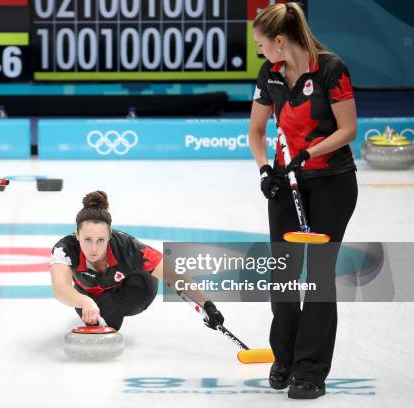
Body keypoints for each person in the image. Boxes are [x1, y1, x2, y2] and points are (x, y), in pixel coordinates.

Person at [249, 2, 358, 399]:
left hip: (331, 183)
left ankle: (310, 371)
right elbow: (257, 132)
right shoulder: (270, 74)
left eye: (262, 44)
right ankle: (286, 357)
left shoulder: (331, 69)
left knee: (316, 278)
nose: (259, 51)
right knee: (283, 271)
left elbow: (348, 130)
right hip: (284, 182)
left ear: (280, 41)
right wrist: (266, 170)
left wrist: (307, 155)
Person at [49, 191, 225, 332]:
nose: (93, 249)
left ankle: (108, 309)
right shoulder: (64, 249)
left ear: (110, 236)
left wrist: (208, 305)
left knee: (110, 310)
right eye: (87, 240)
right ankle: (96, 304)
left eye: (100, 240)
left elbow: (175, 276)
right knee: (90, 310)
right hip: (92, 292)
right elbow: (60, 290)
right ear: (77, 234)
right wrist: (84, 301)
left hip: (135, 286)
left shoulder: (129, 248)